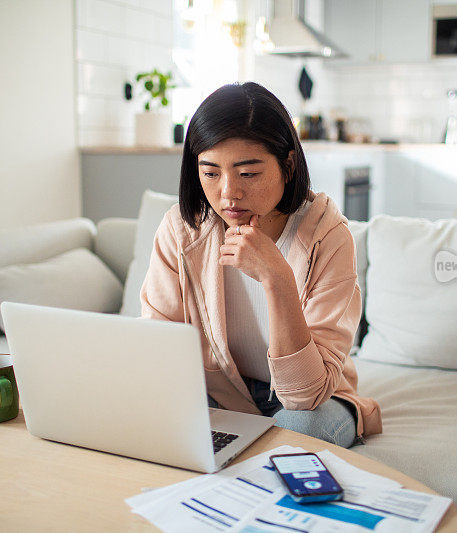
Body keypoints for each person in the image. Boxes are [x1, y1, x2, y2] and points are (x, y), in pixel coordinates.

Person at [140, 82, 382, 448]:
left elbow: (304, 395)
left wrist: (277, 276)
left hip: (315, 400)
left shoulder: (327, 235)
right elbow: (158, 349)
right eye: (210, 172)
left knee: (298, 431)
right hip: (222, 393)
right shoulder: (181, 229)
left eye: (248, 173)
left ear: (287, 164)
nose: (228, 192)